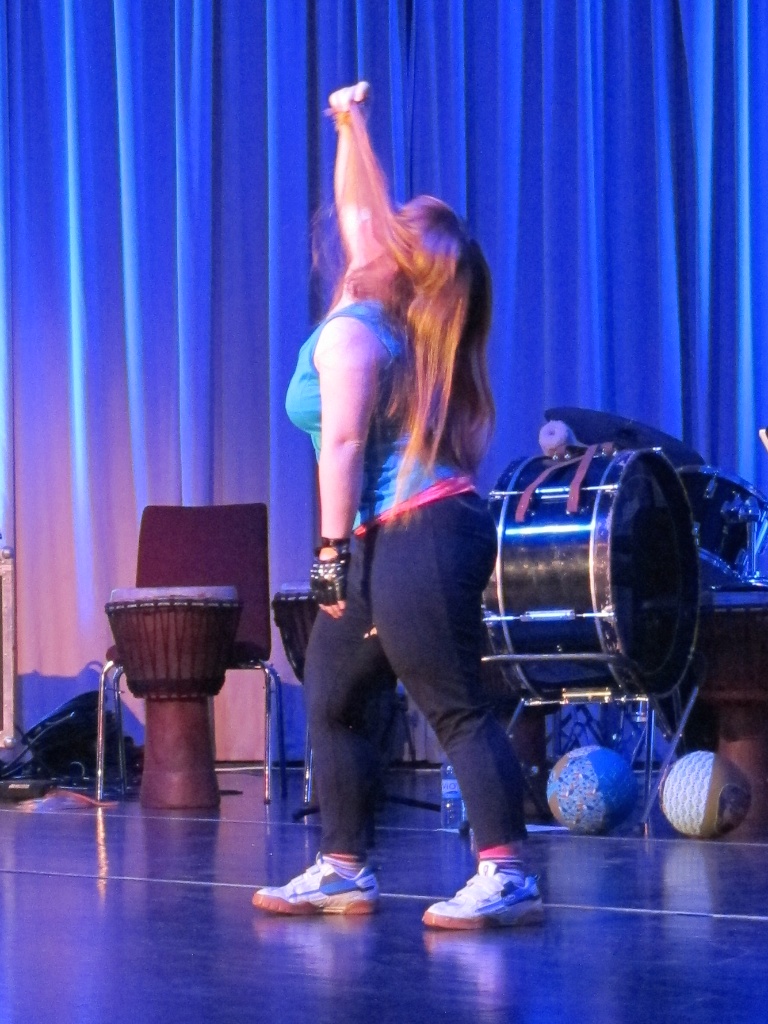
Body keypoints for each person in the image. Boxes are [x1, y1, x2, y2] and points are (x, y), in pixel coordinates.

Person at [252, 81, 542, 930]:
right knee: (334, 696)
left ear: (404, 263)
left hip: (423, 530)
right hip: (391, 534)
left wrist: (328, 559)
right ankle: (343, 866)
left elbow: (341, 446)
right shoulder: (365, 304)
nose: (374, 226)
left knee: (450, 701)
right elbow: (357, 208)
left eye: (396, 227)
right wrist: (350, 126)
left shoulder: (358, 335)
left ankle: (506, 873)